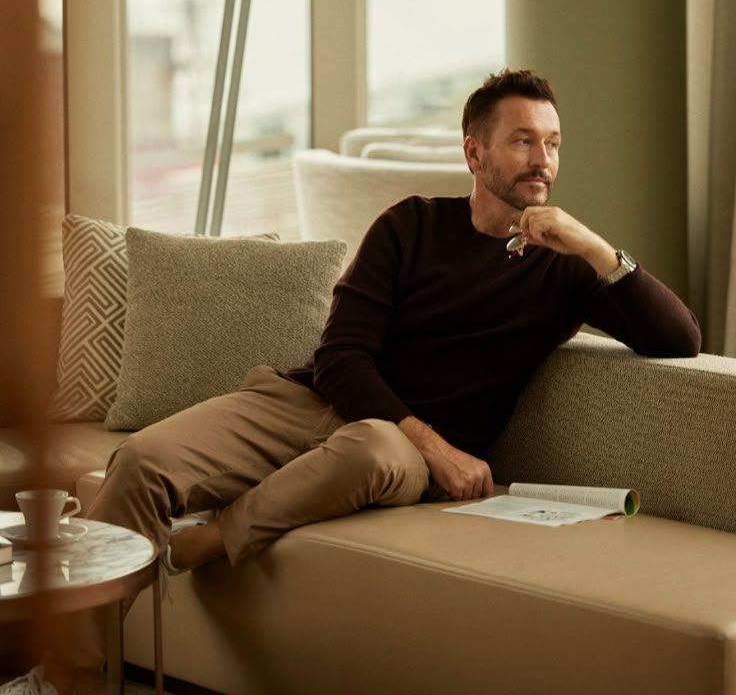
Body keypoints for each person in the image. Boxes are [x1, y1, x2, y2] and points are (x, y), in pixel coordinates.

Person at [3, 68, 700, 694]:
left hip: (385, 454)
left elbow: (679, 339)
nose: (541, 160)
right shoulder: (411, 226)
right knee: (142, 460)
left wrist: (594, 246)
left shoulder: (566, 270)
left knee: (369, 448)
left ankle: (214, 540)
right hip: (313, 401)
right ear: (474, 152)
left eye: (551, 143)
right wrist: (437, 447)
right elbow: (341, 357)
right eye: (522, 141)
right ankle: (67, 681)